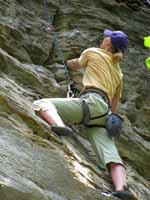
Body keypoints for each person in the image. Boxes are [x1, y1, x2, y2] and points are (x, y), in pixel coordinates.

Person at [32, 29, 137, 200]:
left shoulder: (93, 52)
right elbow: (115, 102)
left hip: (92, 102)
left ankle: (60, 125)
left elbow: (74, 64)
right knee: (110, 154)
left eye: (106, 37)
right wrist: (111, 116)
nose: (103, 38)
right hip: (104, 113)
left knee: (42, 103)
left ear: (108, 43)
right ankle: (121, 188)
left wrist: (65, 61)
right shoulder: (119, 72)